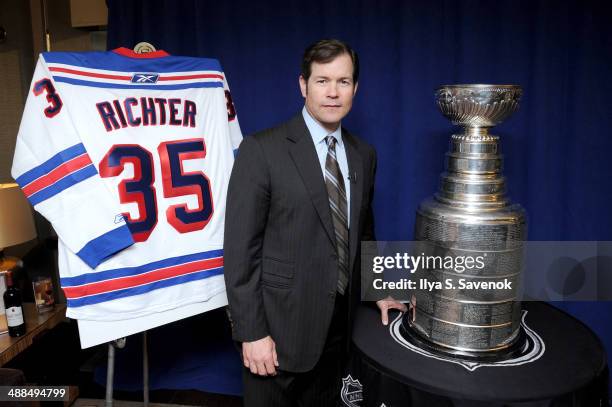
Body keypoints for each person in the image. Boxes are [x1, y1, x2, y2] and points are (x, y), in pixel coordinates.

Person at [224, 39, 406, 406]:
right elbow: (240, 252)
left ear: (355, 89)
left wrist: (376, 290)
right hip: (278, 335)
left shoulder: (363, 155)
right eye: (322, 81)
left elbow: (361, 235)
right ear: (303, 85)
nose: (333, 93)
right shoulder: (261, 151)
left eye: (343, 81)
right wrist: (252, 333)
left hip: (339, 334)